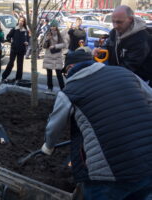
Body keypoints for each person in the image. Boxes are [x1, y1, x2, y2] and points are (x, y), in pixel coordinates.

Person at [40, 48, 152, 200]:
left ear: (71, 68)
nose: (66, 77)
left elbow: (54, 126)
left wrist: (48, 147)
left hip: (109, 175)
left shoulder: (70, 90)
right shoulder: (124, 73)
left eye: (65, 73)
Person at [93, 5, 152, 84]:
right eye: (113, 21)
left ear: (130, 19)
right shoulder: (114, 32)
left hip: (138, 82)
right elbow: (108, 48)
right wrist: (100, 53)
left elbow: (131, 65)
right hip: (119, 77)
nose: (115, 26)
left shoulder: (142, 38)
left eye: (119, 22)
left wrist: (108, 76)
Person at [2, 17, 29, 83]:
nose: (21, 22)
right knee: (11, 63)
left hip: (21, 50)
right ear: (18, 21)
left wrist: (27, 42)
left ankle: (18, 78)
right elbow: (8, 36)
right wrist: (11, 41)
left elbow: (28, 39)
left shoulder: (25, 31)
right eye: (20, 20)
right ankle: (4, 77)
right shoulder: (14, 29)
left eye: (22, 21)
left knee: (20, 65)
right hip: (14, 49)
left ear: (24, 22)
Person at [42, 20, 65, 94]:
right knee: (49, 73)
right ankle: (49, 88)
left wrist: (55, 46)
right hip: (49, 56)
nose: (52, 27)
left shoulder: (59, 35)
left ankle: (63, 89)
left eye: (54, 26)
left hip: (57, 56)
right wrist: (47, 40)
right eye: (51, 26)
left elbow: (63, 45)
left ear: (56, 27)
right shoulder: (47, 34)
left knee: (59, 73)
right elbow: (44, 46)